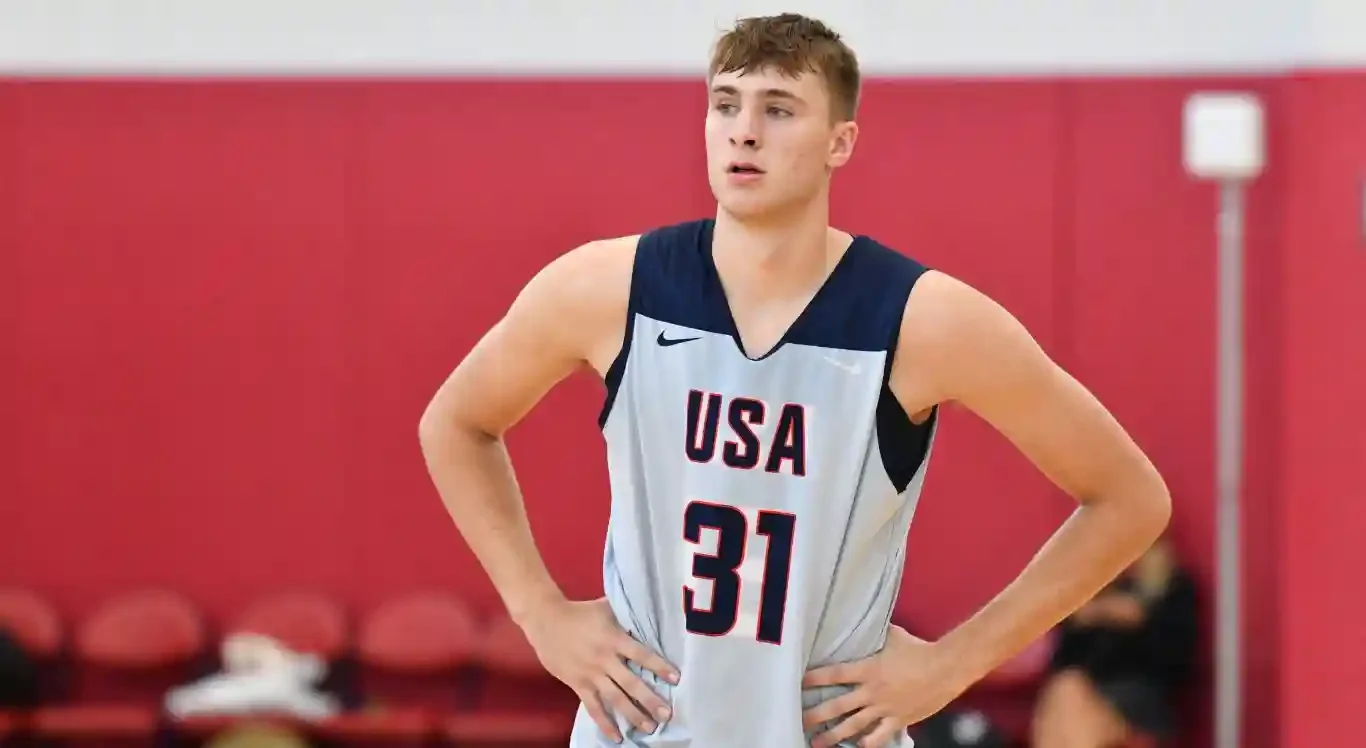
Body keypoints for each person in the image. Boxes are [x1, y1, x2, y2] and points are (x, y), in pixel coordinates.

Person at [418, 13, 1171, 748]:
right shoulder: (607, 288)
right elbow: (455, 423)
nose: (744, 130)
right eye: (725, 104)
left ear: (840, 142)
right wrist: (540, 615)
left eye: (779, 109)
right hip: (644, 732)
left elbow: (1130, 499)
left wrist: (951, 667)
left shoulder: (921, 320)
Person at [1030, 535, 1198, 747]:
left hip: (1140, 699)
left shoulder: (1173, 588)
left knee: (1068, 701)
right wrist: (1090, 615)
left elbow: (1175, 664)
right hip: (1084, 693)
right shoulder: (1090, 592)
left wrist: (1142, 620)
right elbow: (1061, 662)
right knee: (1065, 694)